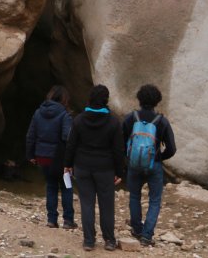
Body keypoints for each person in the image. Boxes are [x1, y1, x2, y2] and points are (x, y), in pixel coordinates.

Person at [65, 84, 124, 252]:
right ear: (106, 100)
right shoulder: (113, 121)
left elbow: (71, 145)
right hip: (105, 169)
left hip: (82, 167)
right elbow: (118, 150)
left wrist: (67, 165)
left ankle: (89, 241)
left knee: (87, 204)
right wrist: (120, 172)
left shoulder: (79, 119)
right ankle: (109, 241)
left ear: (90, 98)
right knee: (106, 205)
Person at [123, 84, 177, 247]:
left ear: (139, 99)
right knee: (154, 200)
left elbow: (121, 140)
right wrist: (158, 157)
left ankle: (137, 230)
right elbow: (172, 149)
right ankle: (147, 236)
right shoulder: (162, 121)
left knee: (134, 196)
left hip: (134, 164)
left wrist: (128, 158)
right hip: (154, 165)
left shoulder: (131, 118)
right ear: (157, 101)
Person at [26, 85, 76, 230]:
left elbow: (30, 136)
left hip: (42, 156)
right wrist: (71, 159)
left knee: (51, 186)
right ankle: (68, 220)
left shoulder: (38, 113)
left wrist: (30, 155)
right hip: (59, 158)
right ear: (64, 99)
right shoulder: (65, 115)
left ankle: (51, 220)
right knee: (66, 187)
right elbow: (67, 137)